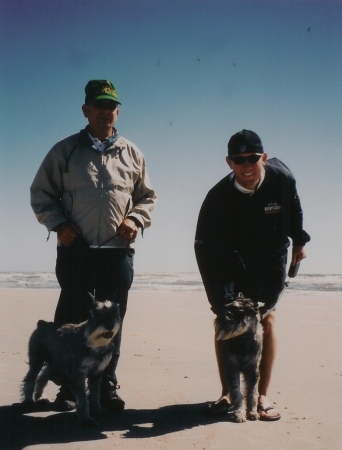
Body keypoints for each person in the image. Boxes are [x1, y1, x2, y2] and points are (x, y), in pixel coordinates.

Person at [30, 80, 157, 412]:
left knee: (112, 323)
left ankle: (107, 384)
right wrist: (58, 224)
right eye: (98, 105)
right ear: (86, 110)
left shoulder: (133, 153)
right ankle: (69, 386)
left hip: (117, 253)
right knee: (72, 320)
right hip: (76, 252)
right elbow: (41, 194)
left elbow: (147, 197)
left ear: (118, 111)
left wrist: (136, 219)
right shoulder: (65, 150)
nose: (105, 111)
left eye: (111, 106)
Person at [194, 129, 310, 421]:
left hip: (270, 254)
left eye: (253, 158)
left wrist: (299, 242)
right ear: (229, 162)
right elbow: (206, 250)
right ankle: (227, 391)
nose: (247, 165)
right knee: (226, 319)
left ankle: (263, 395)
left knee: (266, 317)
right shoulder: (217, 198)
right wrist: (220, 300)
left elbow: (295, 213)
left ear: (264, 157)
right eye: (239, 159)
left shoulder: (283, 180)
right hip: (227, 256)